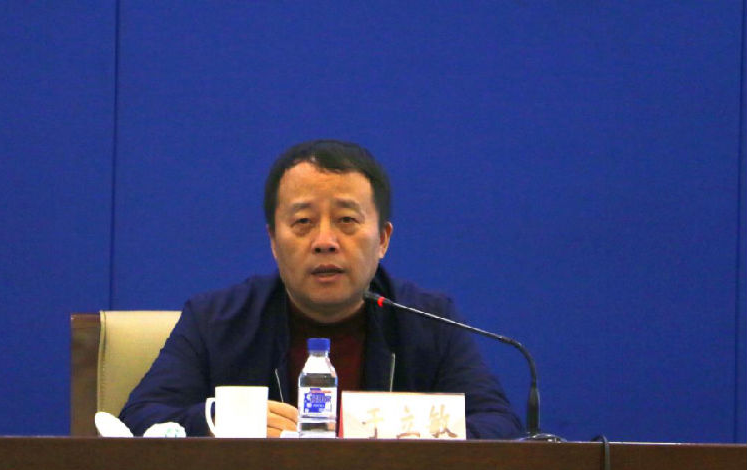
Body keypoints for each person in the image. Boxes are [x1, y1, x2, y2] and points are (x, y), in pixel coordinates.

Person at [119, 139, 523, 439]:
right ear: (273, 241)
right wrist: (220, 419)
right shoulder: (216, 320)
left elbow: (500, 425)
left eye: (347, 221)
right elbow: (138, 419)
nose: (325, 241)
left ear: (383, 239)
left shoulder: (430, 321)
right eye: (303, 222)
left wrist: (403, 433)